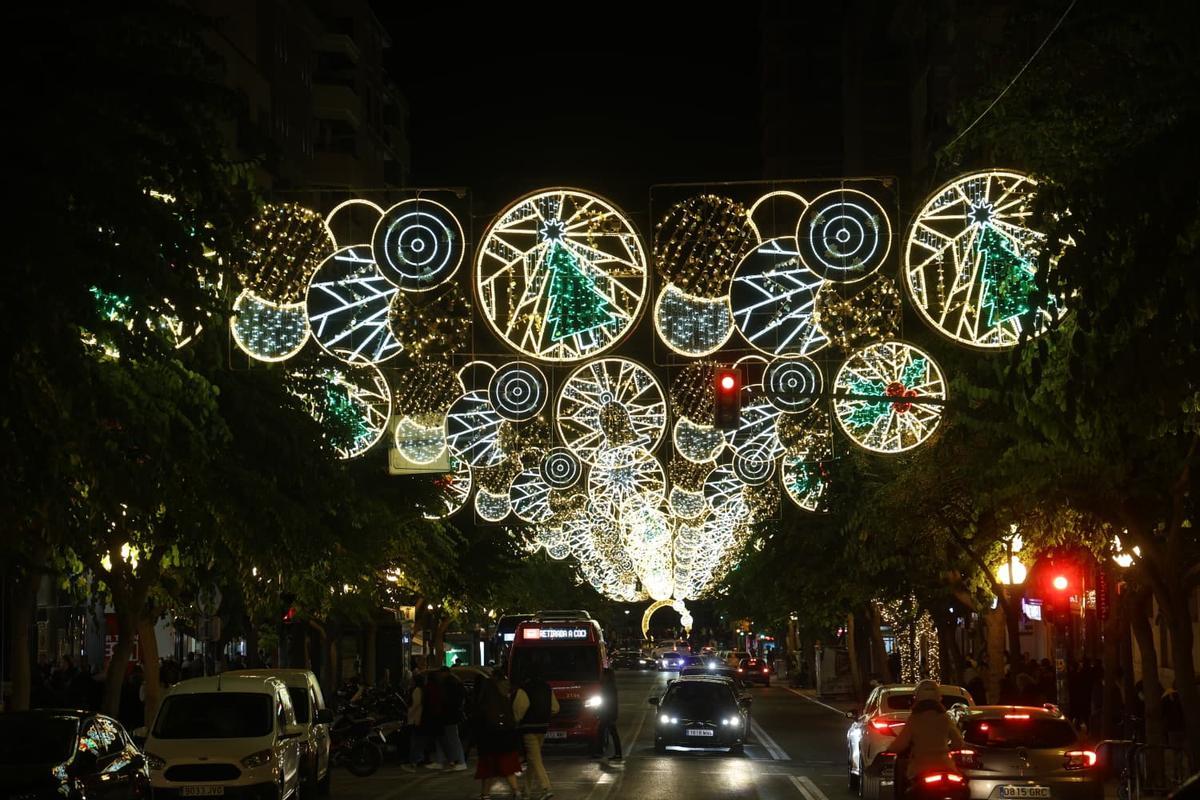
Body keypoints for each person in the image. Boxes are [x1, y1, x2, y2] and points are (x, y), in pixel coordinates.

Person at [889, 680, 966, 798]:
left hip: (920, 768)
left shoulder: (914, 719)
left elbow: (900, 744)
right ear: (939, 697)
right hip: (946, 766)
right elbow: (958, 743)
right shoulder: (945, 718)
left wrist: (890, 748)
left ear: (917, 698)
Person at [474, 668, 523, 800]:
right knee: (508, 767)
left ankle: (485, 794)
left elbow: (481, 719)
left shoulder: (486, 698)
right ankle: (516, 791)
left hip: (489, 738)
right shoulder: (506, 695)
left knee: (488, 769)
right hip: (506, 737)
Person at [514, 666, 559, 799]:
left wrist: (515, 722)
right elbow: (555, 708)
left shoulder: (524, 689)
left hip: (529, 728)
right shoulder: (547, 688)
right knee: (533, 759)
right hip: (543, 727)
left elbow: (518, 710)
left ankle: (546, 788)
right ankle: (526, 791)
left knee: (535, 759)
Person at [434, 666, 468, 771]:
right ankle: (453, 761)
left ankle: (460, 761)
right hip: (454, 714)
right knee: (450, 738)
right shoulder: (457, 683)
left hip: (449, 715)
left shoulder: (448, 684)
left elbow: (445, 700)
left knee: (452, 738)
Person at [592, 667, 622, 761]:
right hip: (608, 714)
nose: (601, 676)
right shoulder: (609, 686)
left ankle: (603, 752)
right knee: (607, 733)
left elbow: (609, 703)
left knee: (607, 733)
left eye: (603, 675)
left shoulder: (608, 687)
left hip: (608, 714)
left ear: (607, 676)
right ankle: (613, 753)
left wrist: (600, 712)